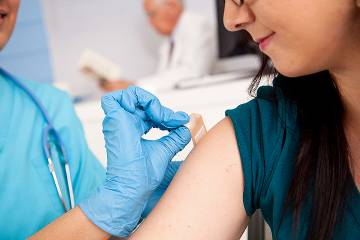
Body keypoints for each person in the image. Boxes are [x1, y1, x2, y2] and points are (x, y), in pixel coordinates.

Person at [26, 0, 360, 239]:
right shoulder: (262, 133)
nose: (231, 19)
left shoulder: (194, 30)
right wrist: (111, 207)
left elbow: (186, 71)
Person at [0, 1, 191, 239]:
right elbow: (107, 209)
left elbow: (100, 207)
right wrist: (114, 205)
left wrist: (140, 199)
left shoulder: (49, 106)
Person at [101, 0, 217, 93]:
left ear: (173, 6)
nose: (150, 22)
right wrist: (130, 86)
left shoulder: (196, 25)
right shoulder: (168, 43)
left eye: (152, 14)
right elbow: (163, 80)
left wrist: (134, 86)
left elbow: (192, 74)